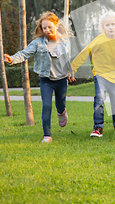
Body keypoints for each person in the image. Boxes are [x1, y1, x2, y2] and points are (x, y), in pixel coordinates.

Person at [4, 11, 74, 143]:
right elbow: (24, 54)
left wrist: (70, 73)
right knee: (46, 105)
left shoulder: (65, 42)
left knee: (60, 104)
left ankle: (61, 113)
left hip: (61, 80)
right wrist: (11, 59)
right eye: (44, 28)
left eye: (49, 27)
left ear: (56, 25)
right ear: (41, 29)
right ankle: (47, 135)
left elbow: (68, 60)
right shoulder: (38, 43)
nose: (47, 30)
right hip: (46, 80)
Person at [71, 11, 115, 137]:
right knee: (99, 99)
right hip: (100, 75)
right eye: (107, 25)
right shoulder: (99, 40)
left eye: (112, 24)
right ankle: (98, 128)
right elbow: (85, 52)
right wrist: (73, 68)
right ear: (103, 27)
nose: (110, 27)